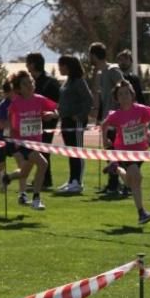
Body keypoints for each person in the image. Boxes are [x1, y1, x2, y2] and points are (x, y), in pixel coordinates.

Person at [101, 80, 150, 225]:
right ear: (117, 98)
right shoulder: (116, 115)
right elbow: (104, 124)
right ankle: (141, 213)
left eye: (127, 93)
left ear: (132, 95)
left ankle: (116, 169)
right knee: (137, 177)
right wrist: (105, 140)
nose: (124, 96)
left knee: (130, 181)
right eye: (121, 94)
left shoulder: (141, 110)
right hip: (124, 151)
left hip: (140, 151)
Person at [2, 71, 59, 210]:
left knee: (24, 173)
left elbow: (57, 110)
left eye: (31, 82)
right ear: (18, 88)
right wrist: (9, 139)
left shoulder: (40, 99)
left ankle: (7, 178)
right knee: (43, 164)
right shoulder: (16, 103)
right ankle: (36, 199)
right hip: (23, 143)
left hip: (36, 143)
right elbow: (9, 120)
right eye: (25, 84)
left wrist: (51, 114)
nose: (29, 86)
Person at [89, 42, 125, 196]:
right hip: (106, 119)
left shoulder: (113, 70)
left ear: (95, 55)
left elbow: (124, 88)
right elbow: (99, 96)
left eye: (90, 55)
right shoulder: (100, 73)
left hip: (116, 120)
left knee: (115, 152)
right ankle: (112, 184)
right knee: (109, 152)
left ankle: (118, 185)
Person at [54, 55, 92, 195]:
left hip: (75, 122)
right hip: (65, 121)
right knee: (70, 152)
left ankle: (78, 182)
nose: (59, 68)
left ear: (68, 66)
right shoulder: (67, 81)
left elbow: (88, 100)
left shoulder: (78, 81)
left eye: (61, 65)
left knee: (77, 151)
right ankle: (72, 180)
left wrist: (80, 116)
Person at [26, 52, 61, 190]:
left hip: (47, 123)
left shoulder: (50, 82)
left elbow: (58, 104)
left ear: (33, 64)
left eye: (28, 63)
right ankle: (43, 179)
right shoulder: (30, 82)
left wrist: (51, 114)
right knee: (35, 151)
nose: (26, 66)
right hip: (33, 122)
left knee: (43, 150)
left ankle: (44, 180)